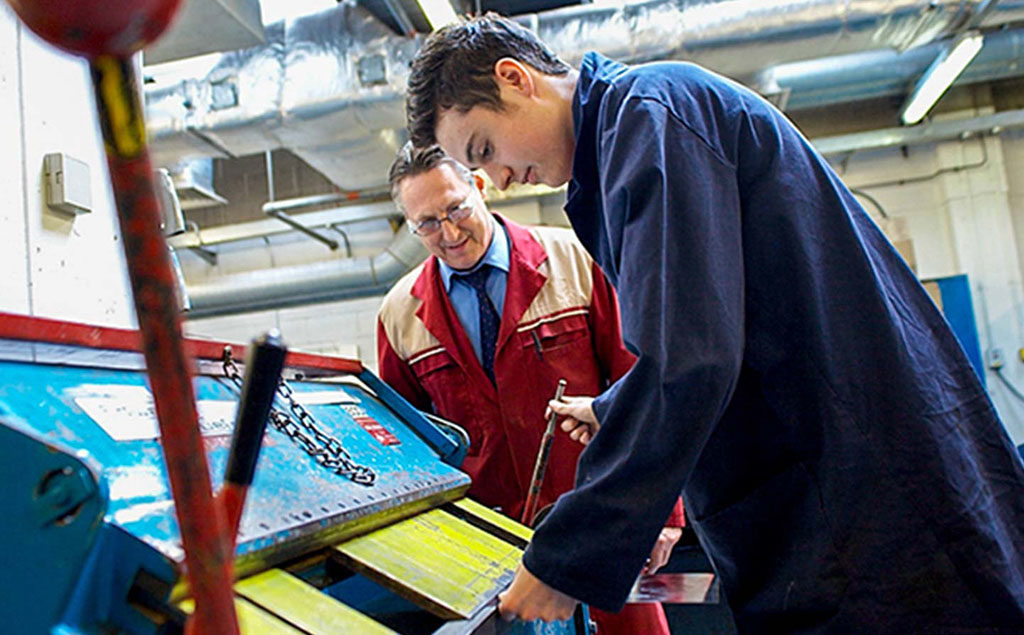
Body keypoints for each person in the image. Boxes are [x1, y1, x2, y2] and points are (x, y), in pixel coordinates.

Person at [403, 13, 1024, 631]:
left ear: (516, 79)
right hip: (837, 505)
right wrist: (615, 408)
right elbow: (726, 323)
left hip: (865, 518)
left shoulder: (651, 123)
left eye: (485, 149)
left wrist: (566, 557)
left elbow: (690, 358)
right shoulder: (627, 140)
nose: (501, 179)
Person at [376, 142, 686, 634]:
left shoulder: (574, 260)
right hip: (488, 549)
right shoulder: (400, 315)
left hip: (599, 521)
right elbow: (403, 448)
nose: (450, 233)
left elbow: (640, 384)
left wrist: (664, 511)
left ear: (480, 187)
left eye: (456, 209)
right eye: (428, 224)